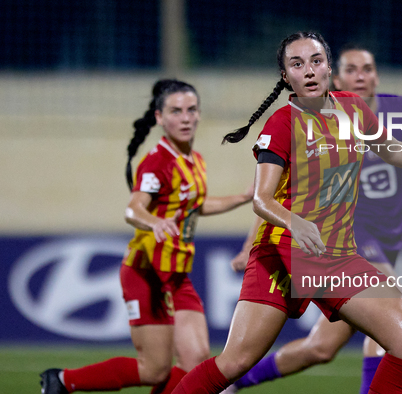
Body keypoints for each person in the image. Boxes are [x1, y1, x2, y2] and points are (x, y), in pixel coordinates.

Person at [171, 32, 402, 394]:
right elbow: (262, 200)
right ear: (285, 77)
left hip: (335, 256)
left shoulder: (353, 109)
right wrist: (295, 223)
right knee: (235, 362)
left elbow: (392, 149)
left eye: (316, 61)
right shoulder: (281, 123)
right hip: (283, 253)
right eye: (297, 64)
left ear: (327, 68)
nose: (308, 71)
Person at [40, 79, 254, 394]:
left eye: (191, 110)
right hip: (147, 273)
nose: (185, 117)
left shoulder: (195, 161)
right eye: (175, 111)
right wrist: (153, 222)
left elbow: (193, 205)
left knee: (197, 361)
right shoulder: (158, 161)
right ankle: (61, 381)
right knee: (155, 370)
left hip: (177, 276)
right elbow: (133, 208)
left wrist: (243, 197)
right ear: (159, 117)